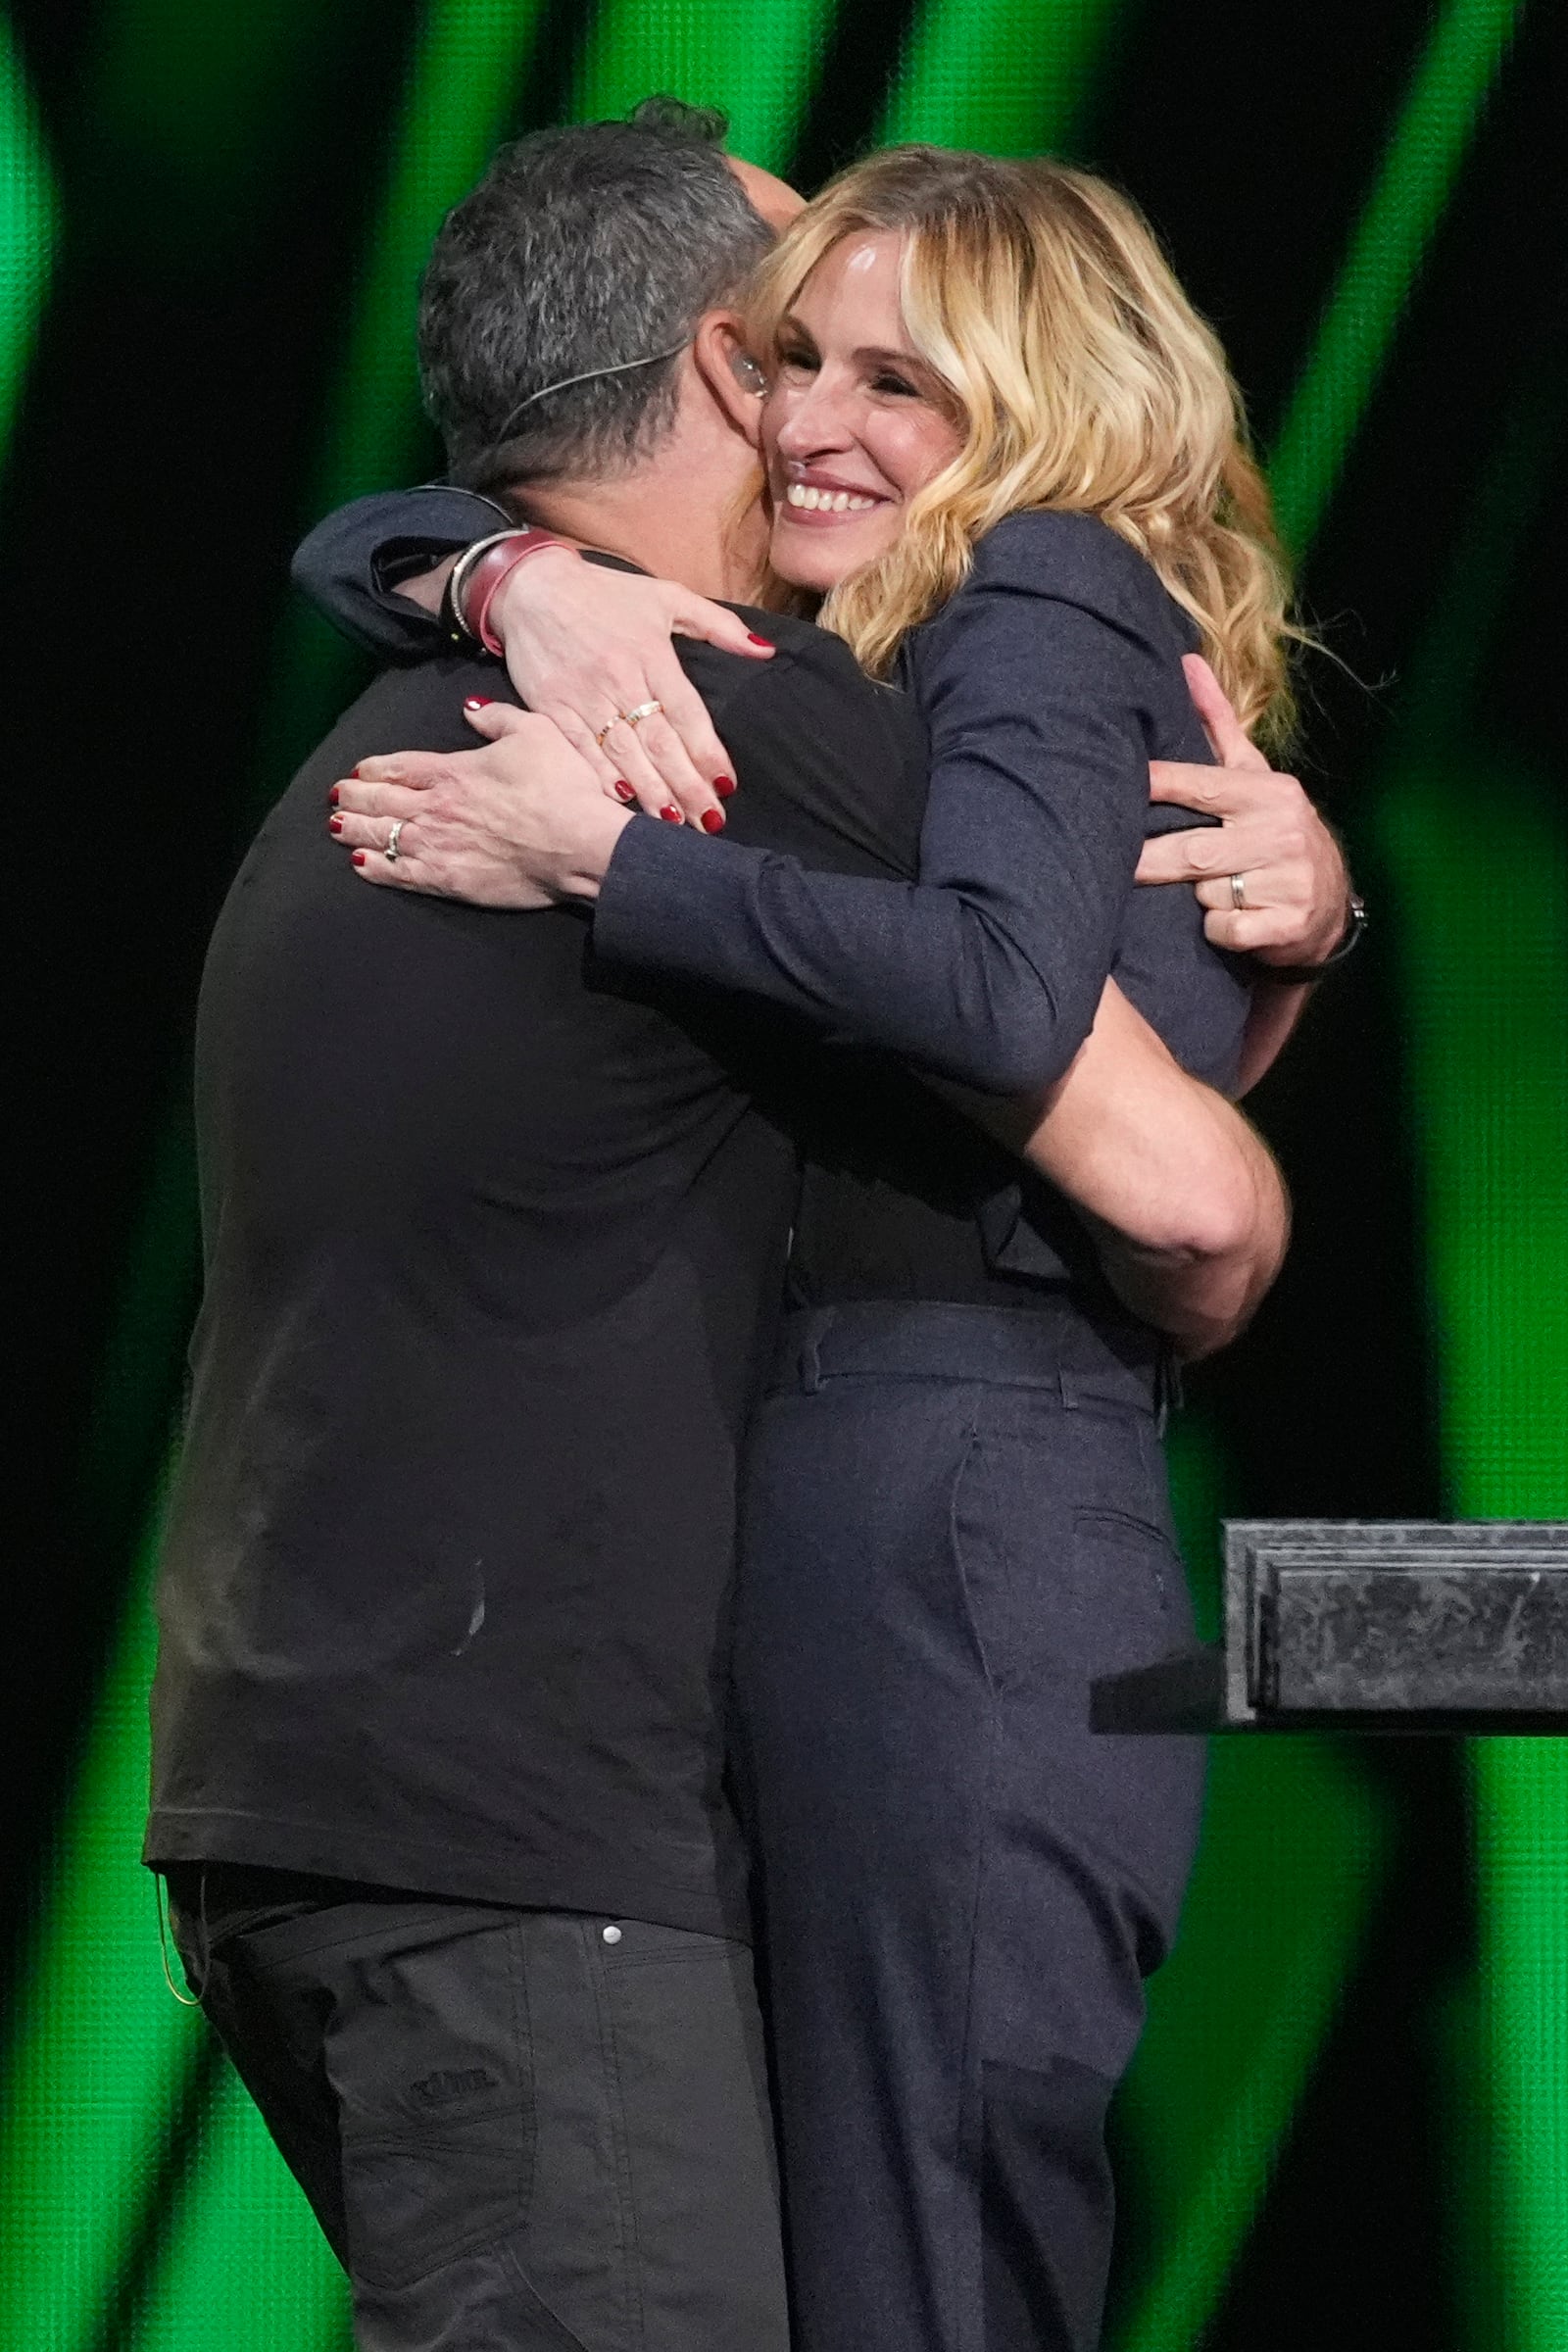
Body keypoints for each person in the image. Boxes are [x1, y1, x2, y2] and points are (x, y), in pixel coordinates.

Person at [149, 108, 1329, 2352]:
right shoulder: (737, 750)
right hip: (518, 1844)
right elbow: (1188, 1195)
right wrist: (1290, 956)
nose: (829, 416)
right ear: (723, 373)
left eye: (893, 370)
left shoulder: (410, 715)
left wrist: (483, 566)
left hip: (308, 1802)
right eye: (809, 352)